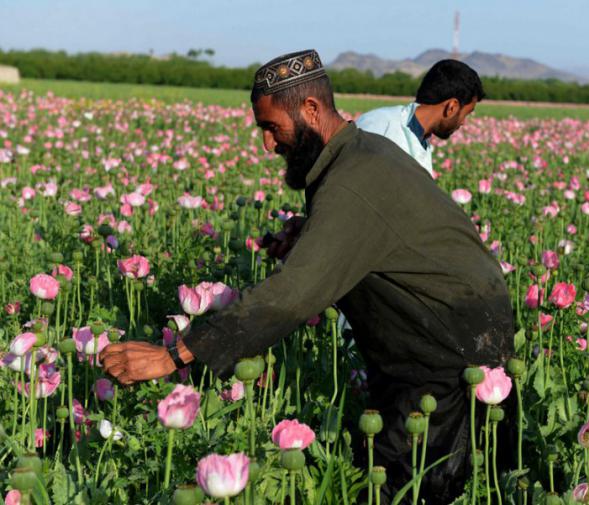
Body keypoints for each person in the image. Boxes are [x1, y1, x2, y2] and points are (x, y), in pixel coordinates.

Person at [100, 49, 514, 503]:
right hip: (434, 337)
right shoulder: (358, 154)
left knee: (413, 486)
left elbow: (292, 296)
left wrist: (174, 355)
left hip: (451, 351)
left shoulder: (353, 178)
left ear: (311, 110)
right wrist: (310, 235)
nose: (267, 144)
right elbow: (377, 236)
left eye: (271, 127)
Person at [355, 59, 484, 176]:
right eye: (466, 114)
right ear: (452, 107)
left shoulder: (422, 138)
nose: (463, 122)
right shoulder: (379, 125)